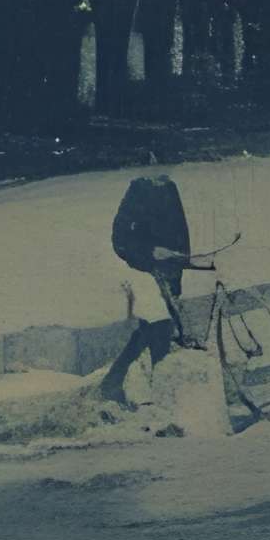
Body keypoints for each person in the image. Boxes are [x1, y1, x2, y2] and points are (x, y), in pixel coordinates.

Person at [95, 170, 195, 406]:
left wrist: (181, 260)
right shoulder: (138, 190)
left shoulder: (169, 187)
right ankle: (157, 392)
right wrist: (150, 251)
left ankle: (117, 383)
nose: (164, 170)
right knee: (159, 326)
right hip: (143, 270)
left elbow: (180, 231)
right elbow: (120, 239)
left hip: (169, 272)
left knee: (155, 329)